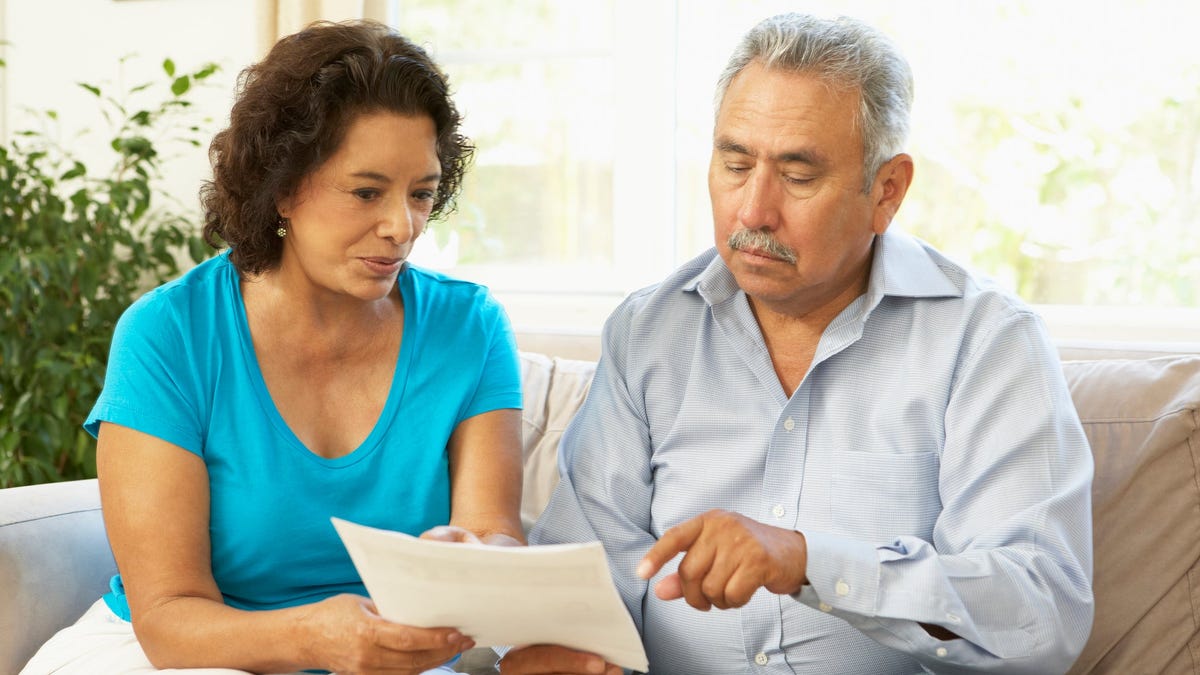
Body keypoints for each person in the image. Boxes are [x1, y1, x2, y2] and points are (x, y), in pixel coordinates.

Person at [502, 12, 1094, 675]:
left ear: (886, 190)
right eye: (734, 162)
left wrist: (809, 560)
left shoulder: (988, 343)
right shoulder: (648, 333)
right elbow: (583, 570)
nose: (752, 209)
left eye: (798, 174)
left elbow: (1038, 615)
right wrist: (552, 644)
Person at [20, 19, 525, 675]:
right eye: (366, 191)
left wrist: (475, 557)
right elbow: (170, 619)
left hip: (385, 658)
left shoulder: (469, 328)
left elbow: (495, 532)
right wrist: (315, 638)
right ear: (282, 186)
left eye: (422, 193)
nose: (402, 226)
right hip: (185, 654)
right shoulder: (169, 335)